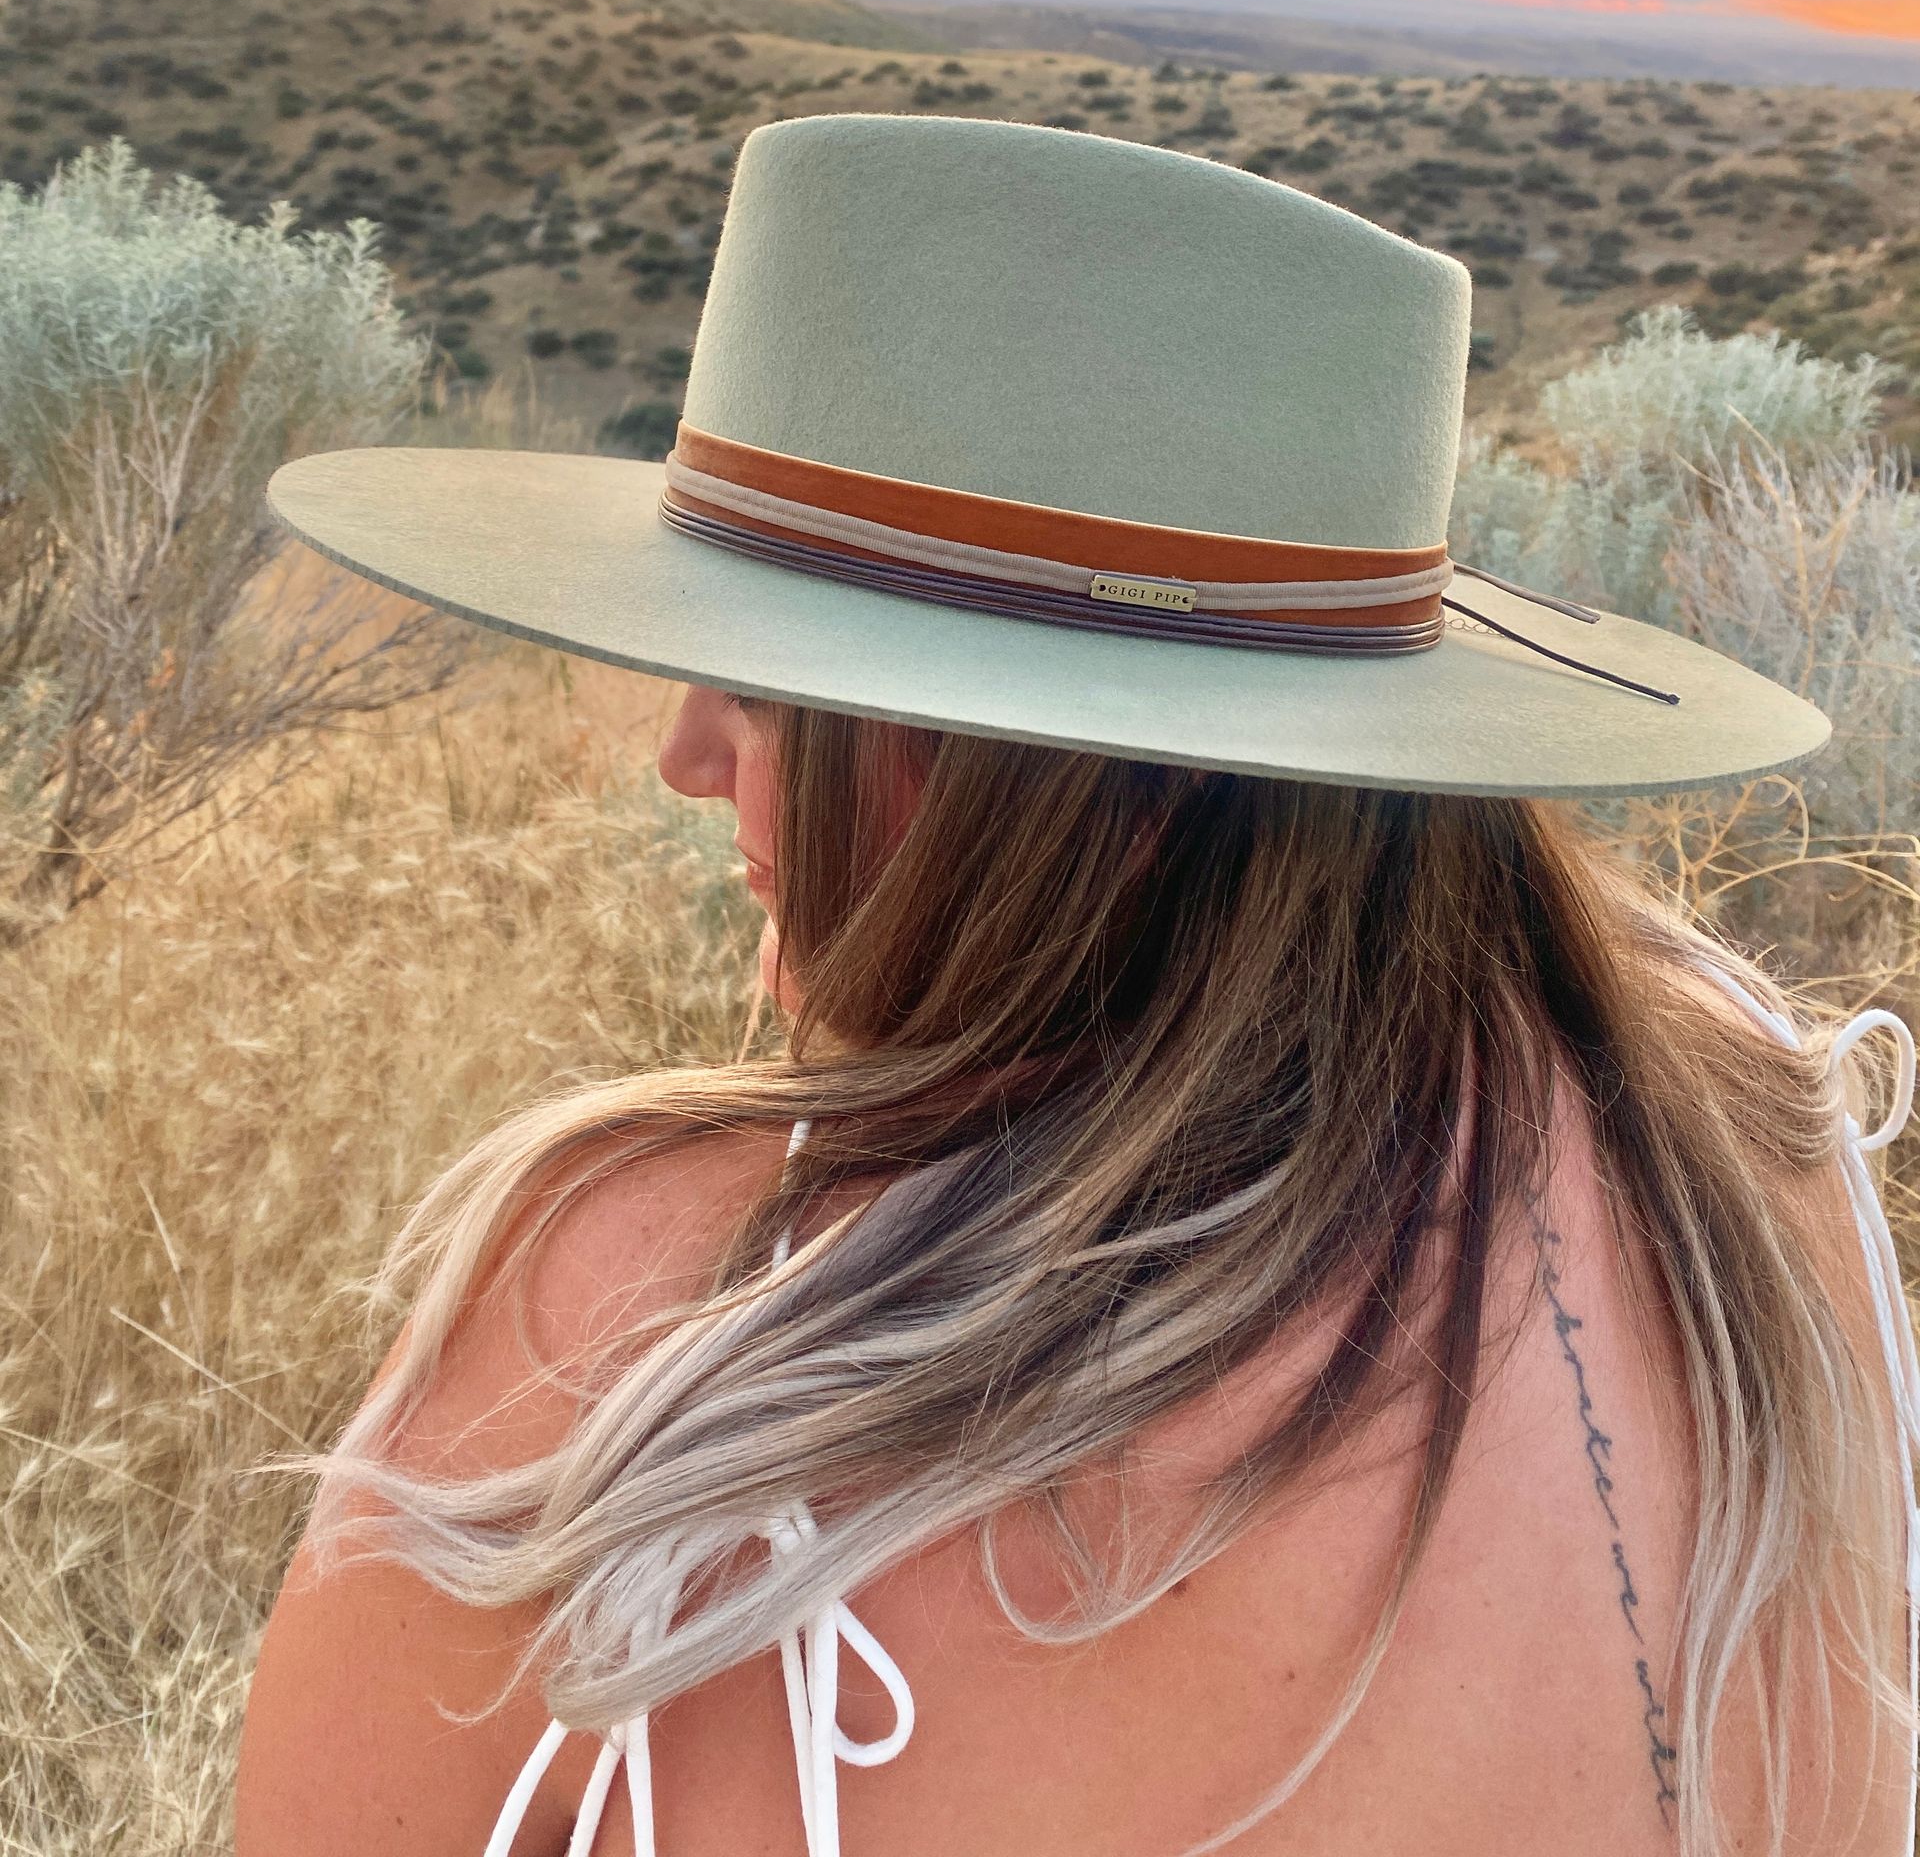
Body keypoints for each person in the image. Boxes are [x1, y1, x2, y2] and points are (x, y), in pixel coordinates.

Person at [238, 112, 1919, 1857]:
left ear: (1083, 774)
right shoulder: (1751, 1143)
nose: (688, 753)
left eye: (774, 685)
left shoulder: (629, 1309)